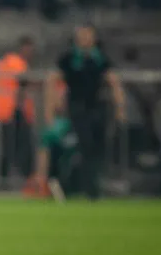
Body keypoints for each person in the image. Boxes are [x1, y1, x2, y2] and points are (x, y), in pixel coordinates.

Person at [46, 24, 125, 200]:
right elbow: (52, 80)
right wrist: (50, 111)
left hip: (97, 107)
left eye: (88, 35)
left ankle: (87, 185)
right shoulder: (69, 59)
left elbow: (113, 81)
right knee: (85, 145)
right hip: (77, 107)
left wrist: (120, 108)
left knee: (97, 147)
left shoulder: (100, 58)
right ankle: (87, 189)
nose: (85, 39)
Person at [0, 36, 36, 188]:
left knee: (7, 148)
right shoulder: (18, 64)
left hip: (2, 111)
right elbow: (22, 86)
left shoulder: (5, 62)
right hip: (11, 110)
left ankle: (4, 179)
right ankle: (22, 180)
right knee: (18, 147)